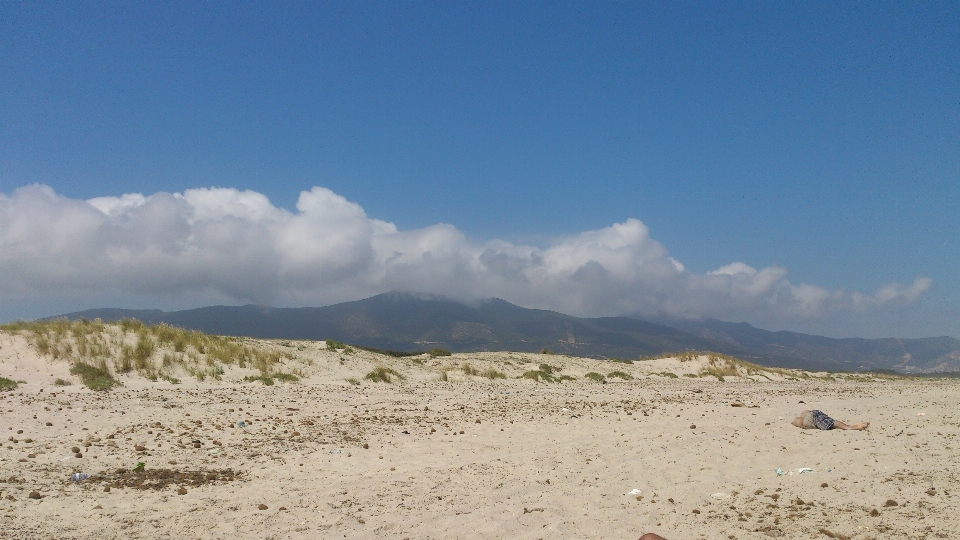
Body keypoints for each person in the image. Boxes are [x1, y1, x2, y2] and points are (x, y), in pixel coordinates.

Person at [791, 409, 868, 430]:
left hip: (810, 420)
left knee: (831, 423)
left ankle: (848, 427)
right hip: (814, 413)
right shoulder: (804, 415)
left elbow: (794, 422)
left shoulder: (800, 420)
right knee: (832, 422)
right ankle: (848, 427)